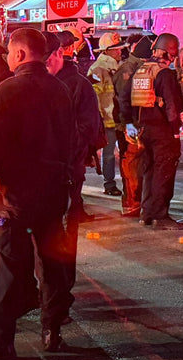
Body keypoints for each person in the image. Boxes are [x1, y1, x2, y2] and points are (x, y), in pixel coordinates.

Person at [0, 27, 75, 360]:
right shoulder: (60, 89)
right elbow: (72, 141)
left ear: (19, 54)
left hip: (15, 193)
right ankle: (52, 331)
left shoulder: (7, 90)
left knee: (9, 262)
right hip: (54, 189)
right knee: (54, 262)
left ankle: (1, 340)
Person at [118, 32, 183, 228]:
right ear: (169, 53)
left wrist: (129, 122)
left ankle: (147, 213)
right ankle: (160, 216)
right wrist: (175, 129)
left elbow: (124, 98)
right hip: (162, 130)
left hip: (142, 129)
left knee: (149, 172)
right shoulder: (164, 73)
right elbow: (172, 105)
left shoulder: (140, 71)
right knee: (163, 173)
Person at [52, 29, 103, 222]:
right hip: (72, 144)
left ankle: (74, 209)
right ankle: (73, 211)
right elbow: (88, 120)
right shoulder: (77, 81)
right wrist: (81, 142)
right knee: (74, 177)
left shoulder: (53, 79)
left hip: (60, 144)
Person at [113, 35, 153, 216]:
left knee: (136, 166)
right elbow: (123, 99)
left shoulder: (134, 67)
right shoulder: (128, 69)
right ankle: (131, 204)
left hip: (133, 123)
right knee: (131, 166)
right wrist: (127, 124)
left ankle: (135, 203)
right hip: (127, 125)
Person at [88, 31, 124, 197]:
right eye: (116, 49)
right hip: (107, 119)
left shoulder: (120, 68)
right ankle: (109, 184)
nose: (119, 52)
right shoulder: (97, 70)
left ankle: (125, 184)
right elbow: (94, 98)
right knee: (109, 155)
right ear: (106, 51)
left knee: (124, 154)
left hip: (121, 118)